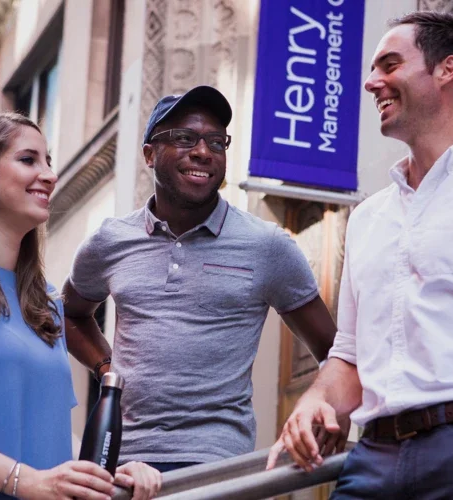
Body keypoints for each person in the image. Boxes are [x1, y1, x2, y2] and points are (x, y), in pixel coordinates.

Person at [267, 11, 453, 498]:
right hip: (372, 462)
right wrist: (314, 400)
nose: (371, 82)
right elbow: (349, 358)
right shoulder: (368, 217)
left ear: (446, 70)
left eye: (389, 65)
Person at [63, 85, 337, 472]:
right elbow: (70, 314)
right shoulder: (111, 241)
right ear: (149, 154)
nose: (203, 152)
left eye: (216, 142)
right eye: (184, 138)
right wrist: (107, 368)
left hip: (216, 464)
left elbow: (335, 349)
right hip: (122, 460)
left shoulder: (267, 245)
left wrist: (318, 409)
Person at [0, 111, 161, 500]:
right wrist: (26, 481)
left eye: (48, 161)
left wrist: (109, 473)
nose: (50, 175)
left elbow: (44, 437)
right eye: (28, 159)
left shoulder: (46, 303)